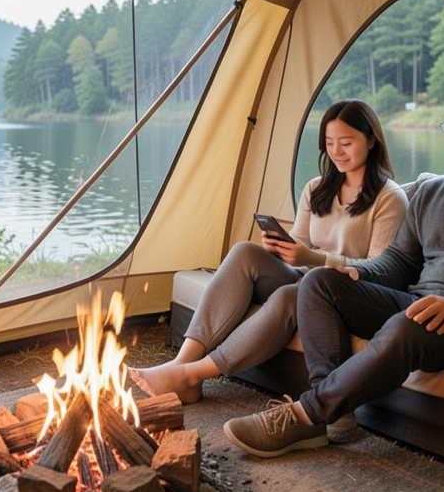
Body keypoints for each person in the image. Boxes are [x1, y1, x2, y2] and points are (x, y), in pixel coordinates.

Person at [222, 81, 444, 457]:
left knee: (407, 324)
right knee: (320, 282)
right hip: (421, 302)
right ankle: (330, 417)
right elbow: (401, 261)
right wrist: (362, 274)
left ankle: (305, 415)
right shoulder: (433, 193)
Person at [130, 100, 407, 404]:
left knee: (293, 296)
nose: (337, 152)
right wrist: (280, 248)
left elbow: (381, 269)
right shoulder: (317, 188)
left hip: (344, 292)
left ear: (371, 140)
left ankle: (193, 375)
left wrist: (313, 260)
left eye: (346, 143)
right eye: (329, 143)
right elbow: (301, 239)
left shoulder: (390, 198)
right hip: (303, 275)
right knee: (245, 252)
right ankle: (181, 363)